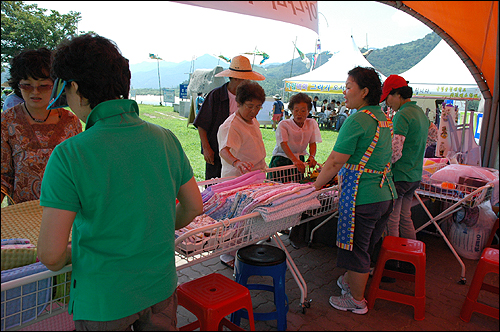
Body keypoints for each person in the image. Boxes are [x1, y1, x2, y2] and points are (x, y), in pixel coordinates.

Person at [37, 34, 203, 331]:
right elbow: (193, 206)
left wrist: (86, 250)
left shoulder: (69, 155)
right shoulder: (166, 138)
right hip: (160, 287)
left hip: (103, 300)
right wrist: (154, 230)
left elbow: (50, 255)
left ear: (75, 87)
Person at [313, 66, 396, 315]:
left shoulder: (357, 119)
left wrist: (314, 187)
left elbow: (336, 161)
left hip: (364, 196)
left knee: (357, 248)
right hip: (385, 194)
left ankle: (356, 300)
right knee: (367, 244)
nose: (344, 91)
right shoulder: (383, 118)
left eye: (349, 87)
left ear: (364, 91)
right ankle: (350, 283)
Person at [1, 47, 82, 205]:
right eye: (27, 85)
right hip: (21, 214)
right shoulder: (6, 122)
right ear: (18, 85)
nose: (34, 92)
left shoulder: (71, 122)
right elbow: (3, 176)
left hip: (64, 210)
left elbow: (79, 171)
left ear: (55, 86)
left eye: (43, 86)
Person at [217, 80, 267, 267]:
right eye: (250, 106)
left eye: (258, 107)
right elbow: (224, 151)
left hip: (254, 175)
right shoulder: (231, 125)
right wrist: (237, 162)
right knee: (235, 217)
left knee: (249, 216)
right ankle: (228, 255)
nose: (254, 111)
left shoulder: (252, 120)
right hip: (237, 177)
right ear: (238, 103)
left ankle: (245, 248)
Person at [380, 75, 435, 241]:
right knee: (405, 217)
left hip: (400, 176)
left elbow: (395, 152)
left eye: (388, 98)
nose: (387, 103)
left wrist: (382, 165)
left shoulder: (402, 115)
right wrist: (416, 149)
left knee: (393, 219)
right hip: (415, 175)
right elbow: (434, 136)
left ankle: (394, 260)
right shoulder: (419, 112)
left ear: (397, 94)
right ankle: (409, 253)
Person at [193, 55, 265, 180]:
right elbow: (202, 122)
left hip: (241, 153)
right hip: (217, 149)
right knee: (215, 183)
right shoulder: (216, 95)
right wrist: (206, 148)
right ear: (234, 78)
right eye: (244, 80)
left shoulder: (250, 100)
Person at [269, 93, 322, 249]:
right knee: (276, 197)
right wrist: (295, 160)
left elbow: (313, 143)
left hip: (299, 163)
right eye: (297, 110)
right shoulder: (284, 124)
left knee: (295, 197)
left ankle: (291, 229)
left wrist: (311, 157)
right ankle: (269, 231)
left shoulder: (312, 123)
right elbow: (283, 144)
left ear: (309, 111)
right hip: (282, 162)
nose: (300, 114)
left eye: (303, 110)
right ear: (291, 110)